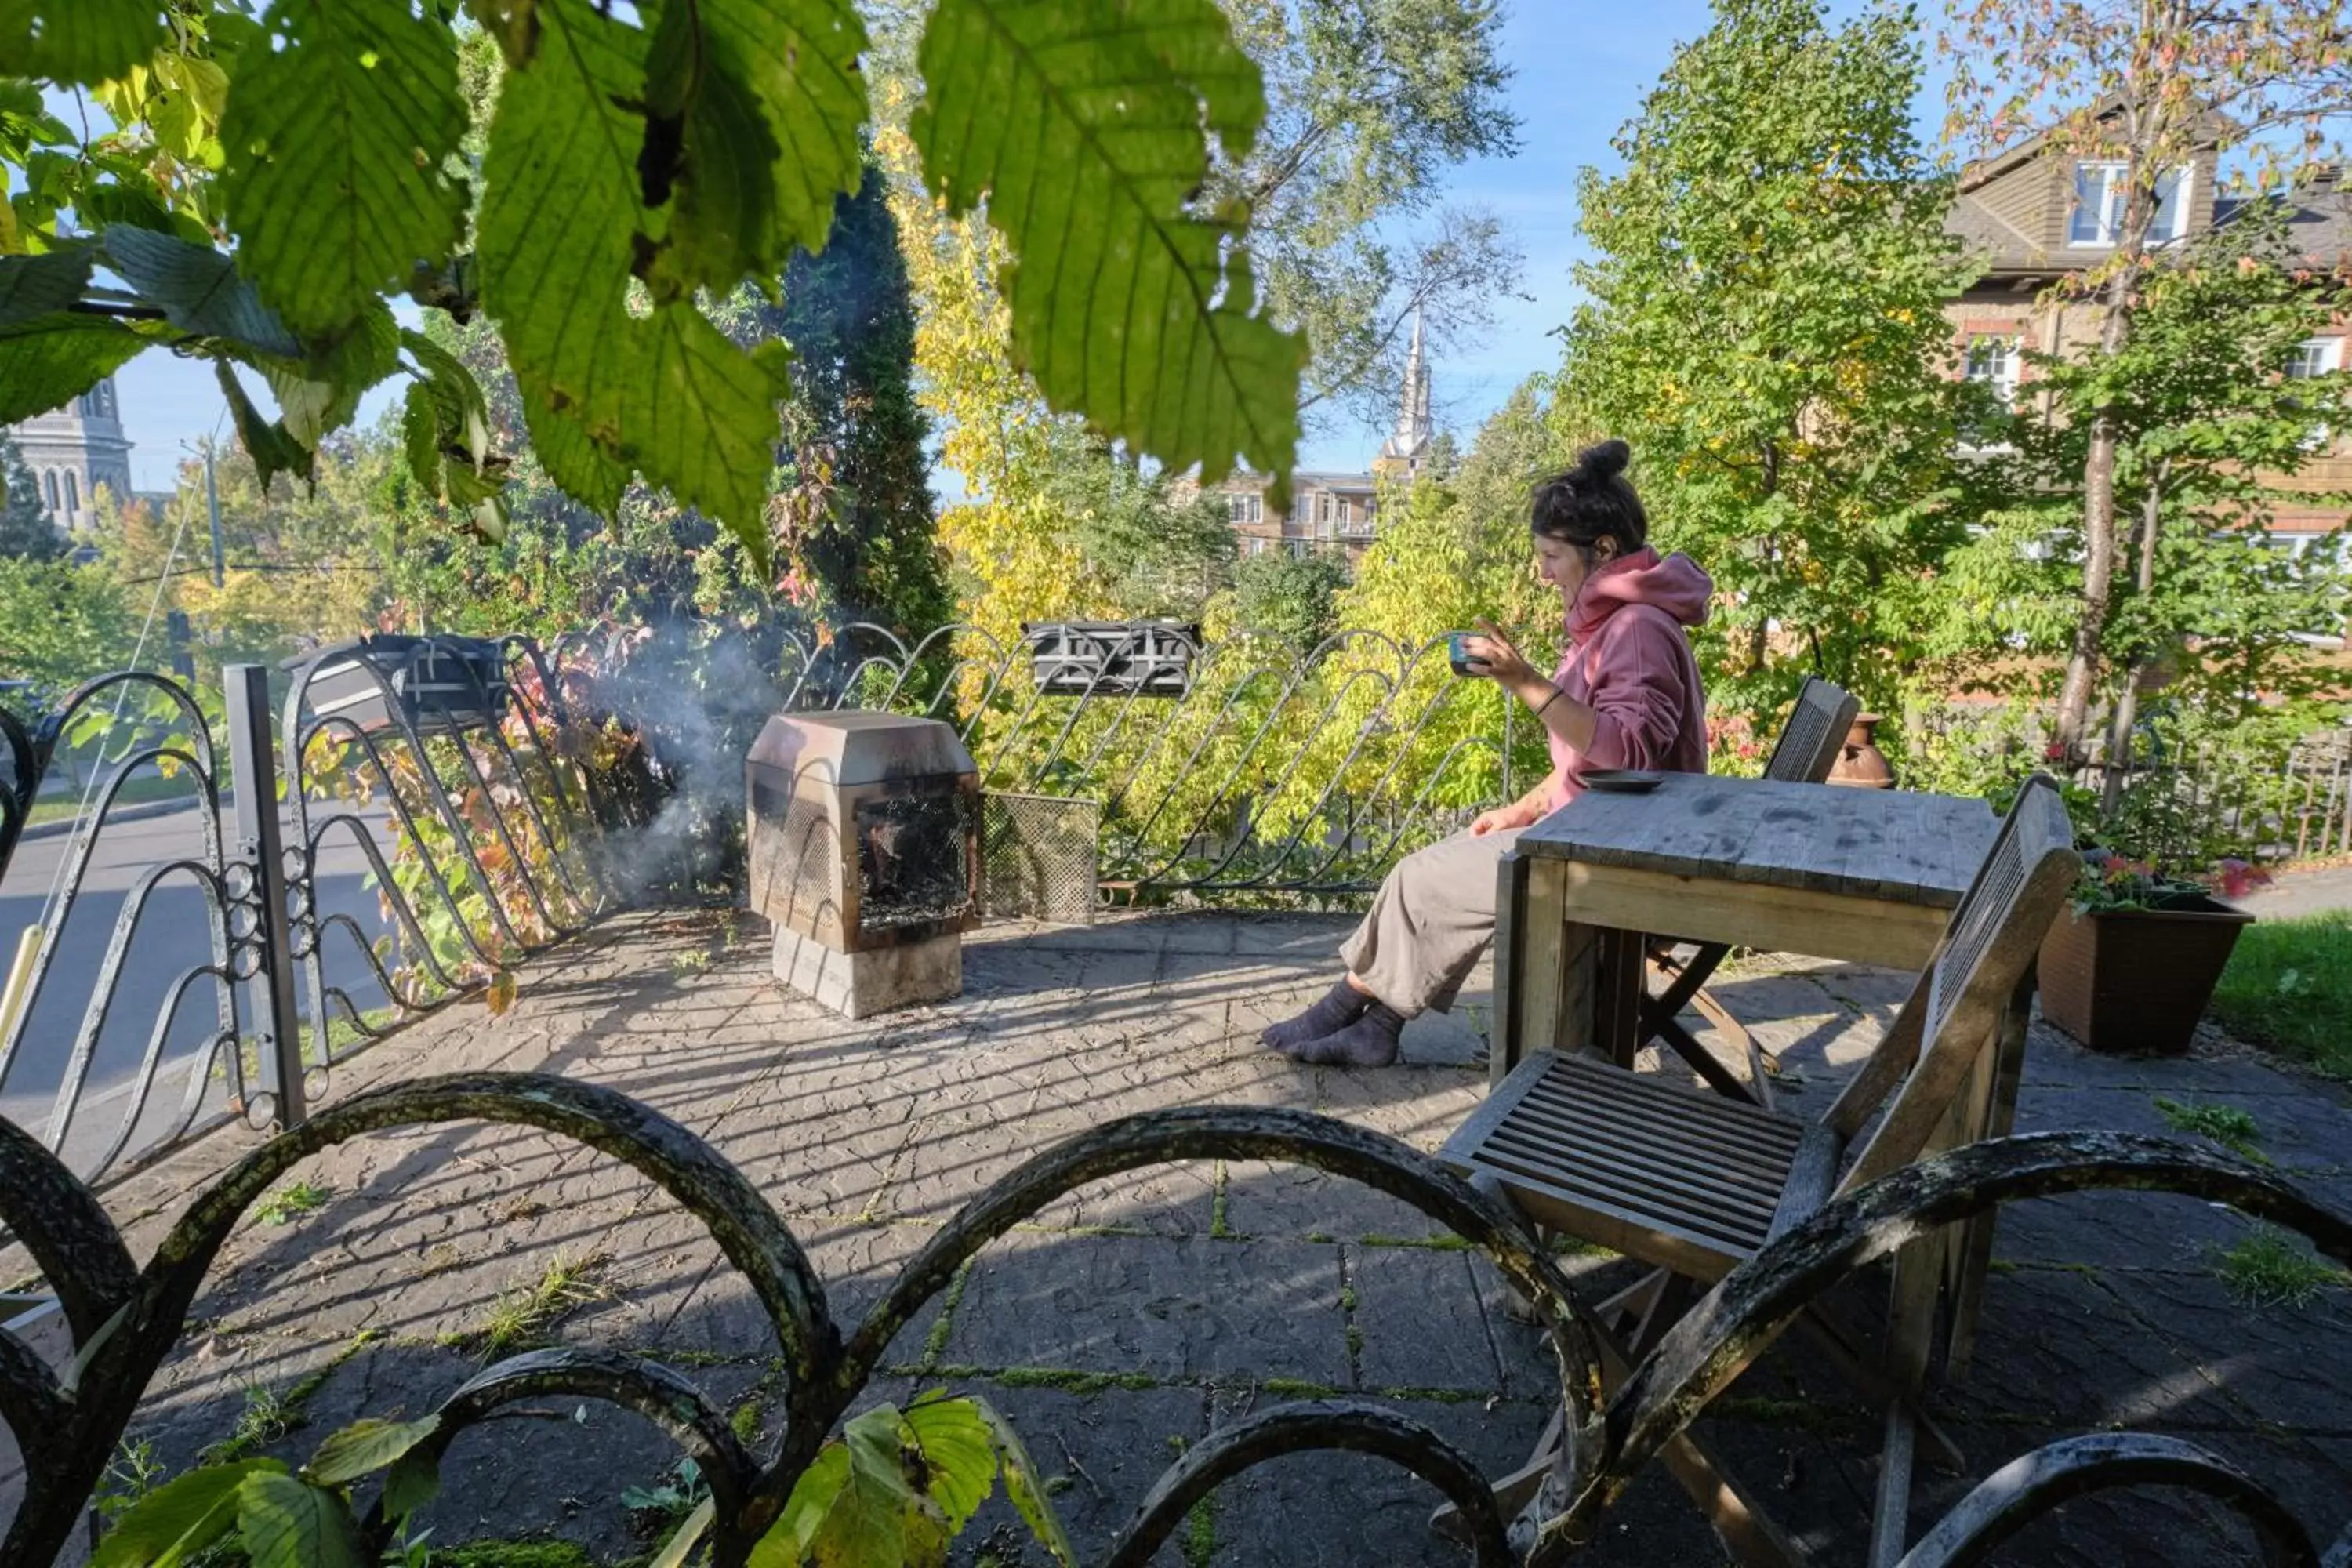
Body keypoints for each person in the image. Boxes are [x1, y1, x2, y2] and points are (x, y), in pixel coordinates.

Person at [1261, 438, 1711, 1068]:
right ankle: (1373, 1024)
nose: (1543, 572)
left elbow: (1628, 757)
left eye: (1552, 556)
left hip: (1622, 857)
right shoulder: (1620, 624)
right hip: (1604, 831)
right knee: (1433, 869)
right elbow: (1589, 766)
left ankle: (1349, 1012)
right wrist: (1524, 809)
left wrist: (1523, 680)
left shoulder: (1636, 631)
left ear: (1602, 551)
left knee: (1424, 879)